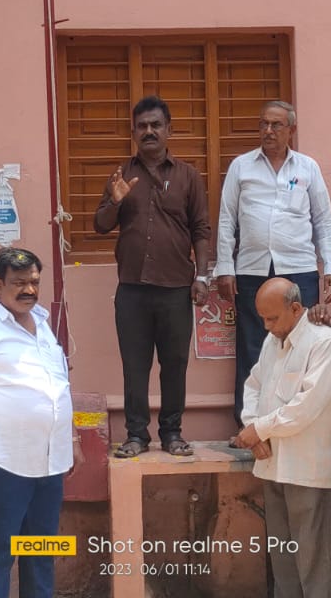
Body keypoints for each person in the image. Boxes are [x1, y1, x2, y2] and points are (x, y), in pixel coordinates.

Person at [0, 248, 82, 598]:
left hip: (49, 464)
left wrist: (72, 439)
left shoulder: (42, 322)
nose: (29, 290)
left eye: (34, 282)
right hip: (1, 466)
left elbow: (57, 384)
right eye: (19, 283)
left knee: (41, 552)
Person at [94, 96, 212, 459]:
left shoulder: (188, 176)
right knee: (135, 366)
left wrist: (203, 276)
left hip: (176, 288)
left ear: (168, 130)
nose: (149, 131)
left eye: (155, 125)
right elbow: (100, 225)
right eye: (142, 126)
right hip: (132, 289)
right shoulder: (121, 175)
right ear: (133, 132)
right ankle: (136, 435)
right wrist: (115, 201)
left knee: (174, 365)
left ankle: (172, 433)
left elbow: (201, 229)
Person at [215, 100, 331, 428]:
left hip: (299, 269)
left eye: (276, 125)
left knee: (303, 342)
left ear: (291, 130)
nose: (268, 131)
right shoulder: (241, 166)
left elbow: (323, 221)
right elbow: (227, 220)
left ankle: (297, 422)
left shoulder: (307, 168)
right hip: (252, 270)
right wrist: (225, 267)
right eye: (263, 124)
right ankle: (249, 425)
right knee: (252, 346)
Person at [235, 278, 331, 598]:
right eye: (262, 319)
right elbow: (253, 386)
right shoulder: (272, 341)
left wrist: (259, 430)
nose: (266, 326)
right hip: (271, 463)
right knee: (283, 559)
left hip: (307, 468)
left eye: (272, 318)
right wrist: (252, 428)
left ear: (296, 309)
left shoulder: (323, 342)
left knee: (314, 561)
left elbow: (307, 406)